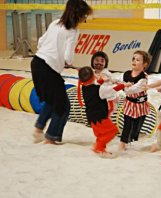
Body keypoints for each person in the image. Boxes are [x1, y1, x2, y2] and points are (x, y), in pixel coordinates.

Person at [31, 0, 92, 144]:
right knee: (63, 105)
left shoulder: (55, 23)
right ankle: (51, 137)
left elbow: (40, 42)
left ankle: (39, 129)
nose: (85, 20)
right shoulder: (73, 31)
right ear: (79, 15)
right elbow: (68, 57)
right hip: (49, 69)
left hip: (36, 63)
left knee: (53, 100)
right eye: (85, 17)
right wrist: (69, 63)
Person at [77, 66, 131, 158]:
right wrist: (124, 85)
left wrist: (103, 81)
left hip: (91, 115)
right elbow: (112, 89)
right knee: (112, 131)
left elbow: (95, 84)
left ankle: (98, 147)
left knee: (101, 133)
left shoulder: (84, 86)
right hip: (99, 116)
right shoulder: (99, 90)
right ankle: (99, 148)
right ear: (93, 77)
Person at [118, 50, 152, 151]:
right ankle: (122, 143)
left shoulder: (143, 78)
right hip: (129, 104)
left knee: (136, 126)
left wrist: (123, 86)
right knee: (127, 124)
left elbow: (132, 90)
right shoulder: (126, 74)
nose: (134, 61)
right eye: (133, 59)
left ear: (144, 64)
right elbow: (120, 82)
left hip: (140, 105)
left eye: (138, 60)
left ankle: (131, 139)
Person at [90, 51, 120, 116]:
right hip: (99, 98)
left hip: (109, 99)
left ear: (105, 63)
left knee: (106, 115)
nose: (99, 62)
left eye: (102, 61)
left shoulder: (106, 73)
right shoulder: (92, 73)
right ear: (92, 61)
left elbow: (109, 79)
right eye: (97, 60)